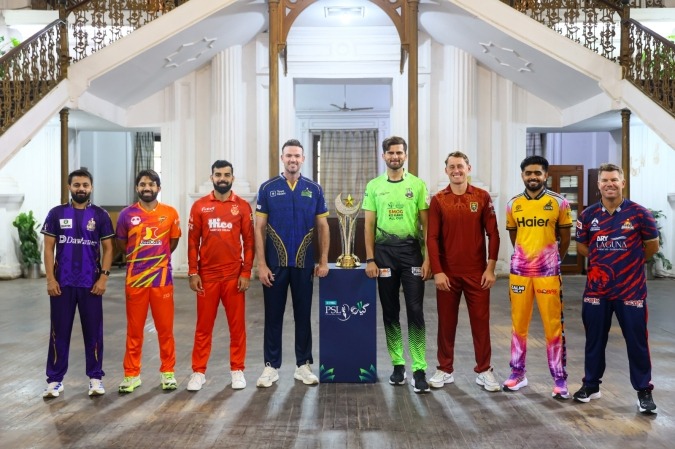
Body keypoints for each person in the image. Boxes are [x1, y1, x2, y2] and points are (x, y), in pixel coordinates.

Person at [572, 163, 659, 414]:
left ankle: (643, 391)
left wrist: (630, 262)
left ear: (622, 183)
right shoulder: (588, 215)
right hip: (596, 291)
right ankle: (591, 385)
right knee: (594, 339)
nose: (609, 184)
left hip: (631, 290)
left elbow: (652, 246)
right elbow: (582, 247)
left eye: (614, 180)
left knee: (637, 341)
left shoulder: (640, 213)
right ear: (598, 184)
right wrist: (603, 261)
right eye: (605, 180)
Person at [255, 139, 329, 387]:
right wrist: (261, 264)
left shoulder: (314, 189)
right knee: (273, 316)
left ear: (303, 159)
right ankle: (270, 367)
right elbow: (259, 227)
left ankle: (303, 365)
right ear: (282, 158)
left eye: (297, 156)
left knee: (303, 316)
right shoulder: (268, 188)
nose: (293, 160)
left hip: (304, 264)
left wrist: (323, 260)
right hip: (274, 264)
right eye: (289, 156)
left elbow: (323, 226)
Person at [426, 151, 501, 392]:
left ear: (468, 168)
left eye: (460, 166)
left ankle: (484, 370)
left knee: (481, 324)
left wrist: (490, 268)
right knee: (446, 324)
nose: (456, 170)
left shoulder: (482, 197)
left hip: (477, 274)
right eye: (452, 167)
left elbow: (494, 234)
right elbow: (432, 238)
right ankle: (444, 369)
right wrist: (438, 271)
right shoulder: (438, 200)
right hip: (447, 275)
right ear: (446, 171)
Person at [362, 135, 432, 393]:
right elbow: (368, 226)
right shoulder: (374, 186)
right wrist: (370, 259)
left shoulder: (418, 185)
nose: (395, 156)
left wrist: (428, 259)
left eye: (399, 152)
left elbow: (427, 226)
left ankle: (420, 369)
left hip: (411, 254)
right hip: (384, 256)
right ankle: (398, 365)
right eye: (390, 153)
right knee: (390, 311)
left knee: (415, 310)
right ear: (384, 156)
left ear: (405, 155)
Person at [40, 169, 115, 398]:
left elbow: (108, 249)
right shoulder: (56, 213)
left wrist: (103, 277)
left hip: (90, 284)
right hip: (62, 284)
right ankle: (55, 380)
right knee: (59, 332)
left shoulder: (100, 215)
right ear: (69, 187)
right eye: (76, 185)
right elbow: (48, 248)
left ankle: (95, 378)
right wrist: (50, 279)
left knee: (93, 333)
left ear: (91, 187)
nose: (81, 188)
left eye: (85, 185)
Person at [504, 155, 572, 399]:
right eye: (528, 173)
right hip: (520, 273)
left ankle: (559, 378)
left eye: (537, 173)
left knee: (553, 326)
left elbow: (565, 238)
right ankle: (517, 373)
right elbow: (515, 237)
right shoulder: (513, 204)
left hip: (548, 274)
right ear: (522, 175)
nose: (533, 177)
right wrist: (525, 257)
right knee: (518, 325)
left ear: (545, 175)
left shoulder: (559, 203)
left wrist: (552, 260)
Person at [186, 160, 254, 391]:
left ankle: (237, 370)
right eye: (218, 175)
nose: (222, 178)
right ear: (212, 177)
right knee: (203, 327)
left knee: (237, 327)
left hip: (234, 276)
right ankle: (198, 372)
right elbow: (193, 242)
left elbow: (250, 242)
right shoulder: (200, 206)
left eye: (226, 175)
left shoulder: (242, 206)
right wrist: (193, 271)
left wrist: (246, 272)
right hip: (207, 277)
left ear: (232, 178)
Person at [116, 169, 182, 393]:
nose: (147, 188)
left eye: (151, 184)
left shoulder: (170, 213)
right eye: (143, 184)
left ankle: (168, 372)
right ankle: (131, 375)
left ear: (158, 188)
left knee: (165, 330)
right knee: (134, 331)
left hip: (162, 280)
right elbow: (122, 244)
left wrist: (157, 260)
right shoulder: (126, 214)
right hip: (135, 280)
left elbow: (172, 242)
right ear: (137, 187)